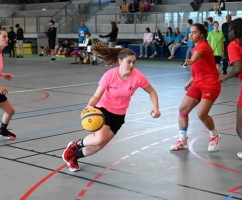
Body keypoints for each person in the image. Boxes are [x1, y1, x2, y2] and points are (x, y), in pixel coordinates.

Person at [62, 41, 161, 171]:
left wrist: (156, 107)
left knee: (99, 146)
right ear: (120, 61)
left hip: (119, 114)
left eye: (134, 62)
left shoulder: (138, 77)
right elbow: (97, 96)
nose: (132, 65)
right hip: (103, 108)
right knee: (99, 139)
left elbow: (152, 91)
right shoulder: (110, 75)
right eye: (129, 62)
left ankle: (74, 157)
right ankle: (76, 145)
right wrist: (89, 106)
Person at [170, 23, 221, 152]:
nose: (190, 35)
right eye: (190, 32)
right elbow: (200, 68)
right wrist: (190, 81)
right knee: (182, 109)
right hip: (198, 83)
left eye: (194, 32)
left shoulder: (203, 47)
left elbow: (196, 57)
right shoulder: (195, 47)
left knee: (202, 114)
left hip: (210, 84)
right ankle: (183, 140)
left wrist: (191, 60)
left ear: (202, 34)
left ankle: (214, 135)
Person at [218, 18, 242, 159]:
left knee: (241, 129)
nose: (228, 33)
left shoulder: (234, 45)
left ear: (233, 31)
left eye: (229, 30)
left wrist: (224, 77)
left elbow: (238, 68)